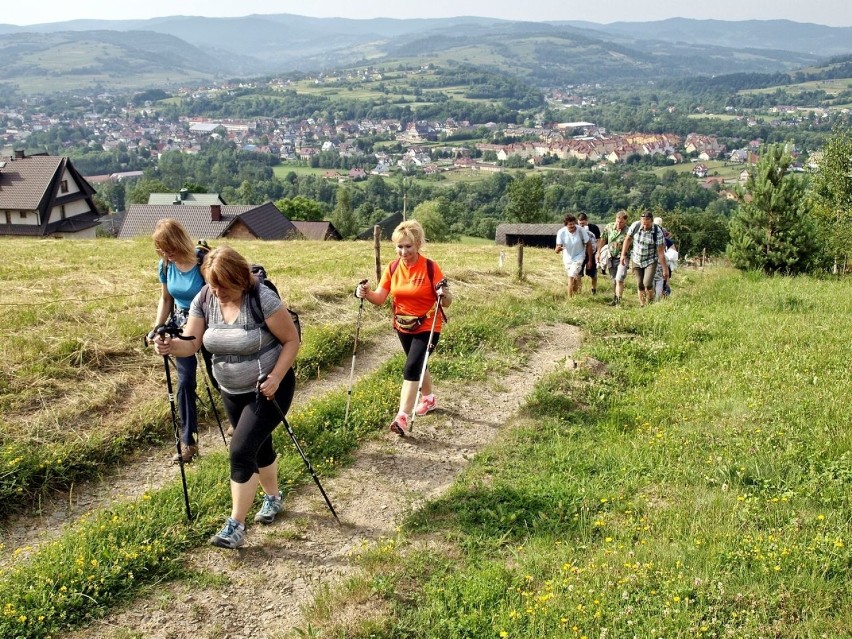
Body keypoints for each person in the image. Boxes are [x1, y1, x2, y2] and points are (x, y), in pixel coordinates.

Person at [153, 246, 300, 549]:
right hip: (231, 390)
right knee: (259, 447)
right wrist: (170, 346)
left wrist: (275, 377)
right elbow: (191, 342)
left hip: (269, 388)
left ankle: (236, 525)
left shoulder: (263, 299)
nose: (216, 290)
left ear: (240, 279)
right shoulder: (206, 297)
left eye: (222, 284)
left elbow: (291, 340)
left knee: (240, 450)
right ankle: (273, 498)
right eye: (211, 282)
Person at [356, 220, 453, 436]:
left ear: (418, 244)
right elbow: (380, 297)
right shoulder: (392, 267)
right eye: (399, 246)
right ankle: (428, 399)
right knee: (419, 363)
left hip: (428, 324)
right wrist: (365, 293)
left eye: (408, 246)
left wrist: (443, 294)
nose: (403, 251)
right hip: (403, 325)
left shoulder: (430, 267)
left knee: (411, 368)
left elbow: (446, 302)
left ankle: (402, 417)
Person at [152, 219, 208, 462]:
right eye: (162, 250)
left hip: (208, 320)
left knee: (219, 377)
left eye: (169, 249)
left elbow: (216, 295)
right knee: (185, 383)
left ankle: (239, 425)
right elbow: (166, 299)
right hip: (180, 325)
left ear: (179, 242)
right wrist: (156, 328)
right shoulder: (165, 266)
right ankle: (189, 443)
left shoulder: (202, 262)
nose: (166, 254)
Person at [620, 211, 669, 307]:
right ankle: (642, 305)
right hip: (637, 259)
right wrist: (623, 254)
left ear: (652, 221)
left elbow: (660, 252)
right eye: (643, 223)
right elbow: (628, 239)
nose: (645, 226)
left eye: (647, 224)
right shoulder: (636, 226)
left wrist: (665, 269)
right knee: (640, 284)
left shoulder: (657, 232)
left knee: (647, 284)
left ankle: (650, 301)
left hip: (650, 260)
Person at [555, 214, 592, 299]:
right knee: (574, 277)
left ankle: (569, 298)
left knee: (571, 276)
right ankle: (576, 295)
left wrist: (590, 260)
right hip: (567, 257)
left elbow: (588, 244)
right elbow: (557, 249)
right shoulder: (561, 232)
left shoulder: (581, 231)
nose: (572, 226)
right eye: (569, 224)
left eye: (573, 224)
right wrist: (558, 249)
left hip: (579, 255)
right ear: (566, 225)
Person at [597, 210, 629, 306]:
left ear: (625, 222)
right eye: (618, 221)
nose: (619, 224)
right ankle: (614, 299)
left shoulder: (628, 231)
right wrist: (598, 252)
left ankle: (619, 301)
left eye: (621, 222)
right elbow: (603, 239)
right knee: (614, 279)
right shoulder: (609, 227)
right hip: (611, 256)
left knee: (620, 278)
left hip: (623, 257)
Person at [577, 213, 598, 295]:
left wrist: (598, 253)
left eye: (583, 223)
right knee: (578, 274)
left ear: (587, 221)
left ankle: (594, 289)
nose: (581, 225)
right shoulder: (576, 229)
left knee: (593, 274)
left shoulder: (594, 228)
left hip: (592, 253)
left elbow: (598, 240)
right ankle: (579, 292)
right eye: (580, 223)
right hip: (580, 254)